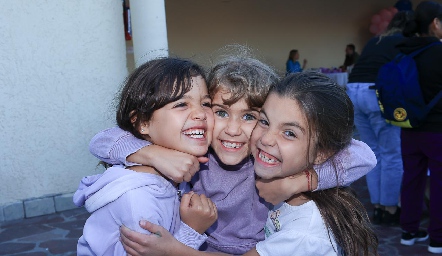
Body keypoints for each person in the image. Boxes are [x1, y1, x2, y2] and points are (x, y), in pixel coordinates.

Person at [89, 54, 376, 254]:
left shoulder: (264, 161)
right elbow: (102, 140)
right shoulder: (198, 155)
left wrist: (299, 182)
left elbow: (362, 155)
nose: (233, 130)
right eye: (221, 112)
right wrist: (152, 154)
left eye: (251, 117)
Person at [73, 58, 218, 255]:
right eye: (182, 104)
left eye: (206, 103)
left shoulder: (181, 165)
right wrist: (192, 229)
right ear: (142, 122)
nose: (200, 113)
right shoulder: (138, 201)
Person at [346, 11, 413, 226]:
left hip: (353, 90)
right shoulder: (405, 42)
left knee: (373, 153)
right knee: (392, 154)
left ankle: (377, 207)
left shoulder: (377, 40)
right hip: (376, 94)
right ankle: (391, 208)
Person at [396, 1, 442, 253]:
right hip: (438, 130)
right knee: (439, 182)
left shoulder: (403, 51)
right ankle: (437, 239)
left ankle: (409, 232)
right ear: (435, 23)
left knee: (412, 179)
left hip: (409, 129)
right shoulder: (439, 52)